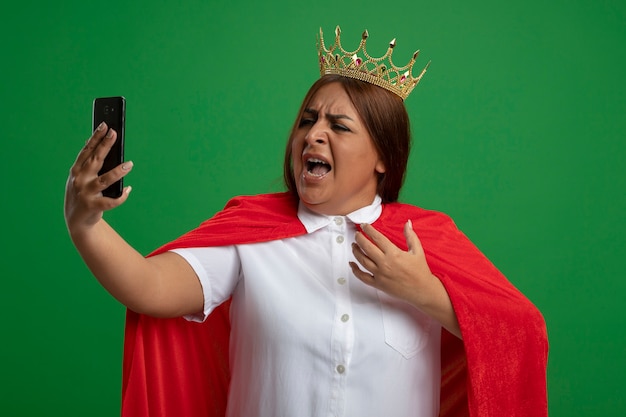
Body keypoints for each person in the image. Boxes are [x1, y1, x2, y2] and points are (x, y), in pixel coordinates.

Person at [65, 26, 548, 417]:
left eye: (338, 127)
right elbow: (148, 288)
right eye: (307, 121)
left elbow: (520, 334)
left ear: (383, 155)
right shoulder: (248, 236)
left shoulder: (424, 242)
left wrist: (423, 291)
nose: (314, 135)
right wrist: (85, 224)